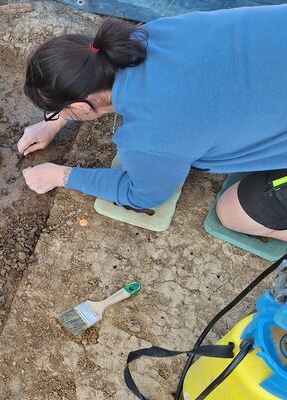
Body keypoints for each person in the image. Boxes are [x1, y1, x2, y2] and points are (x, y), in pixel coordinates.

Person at [17, 5, 287, 241]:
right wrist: (55, 121)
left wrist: (61, 176)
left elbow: (143, 195)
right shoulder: (149, 35)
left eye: (60, 111)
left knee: (234, 213)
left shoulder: (151, 138)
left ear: (80, 106)